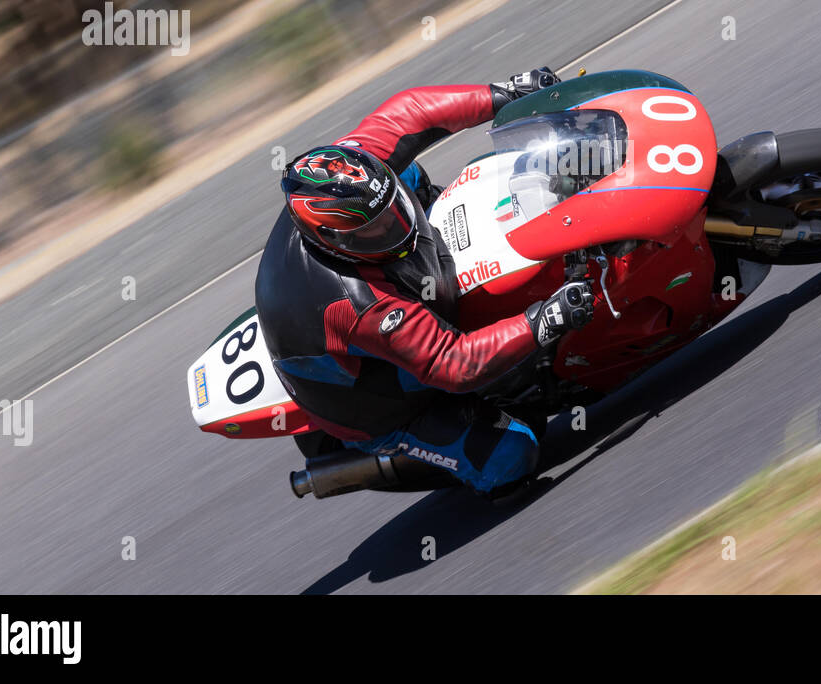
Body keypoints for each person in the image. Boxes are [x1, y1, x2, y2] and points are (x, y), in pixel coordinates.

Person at [254, 68, 594, 498]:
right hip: (383, 399)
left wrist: (502, 93)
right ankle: (408, 450)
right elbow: (453, 365)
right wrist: (545, 319)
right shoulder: (361, 304)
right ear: (338, 243)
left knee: (406, 170)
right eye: (375, 232)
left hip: (322, 308)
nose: (396, 228)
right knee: (512, 457)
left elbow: (407, 115)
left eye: (394, 212)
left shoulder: (349, 176)